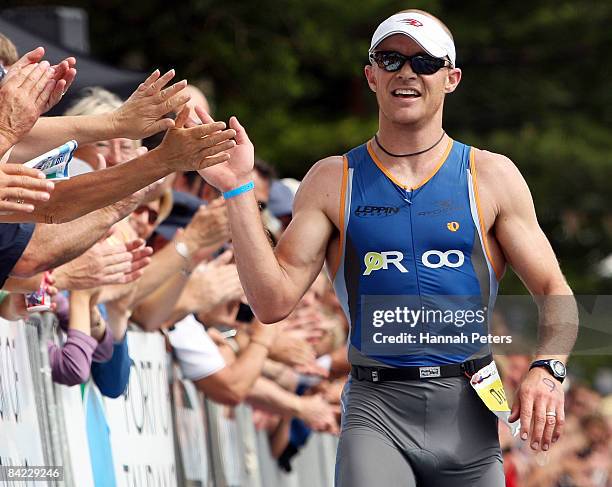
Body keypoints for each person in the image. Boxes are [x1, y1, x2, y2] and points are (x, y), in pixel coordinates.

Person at [200, 9, 578, 487]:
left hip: (468, 415)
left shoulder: (490, 176)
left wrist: (548, 368)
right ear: (371, 75)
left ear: (451, 78)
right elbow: (272, 301)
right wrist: (237, 191)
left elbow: (553, 288)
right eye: (391, 58)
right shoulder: (333, 179)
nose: (406, 72)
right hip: (376, 413)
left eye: (424, 62)